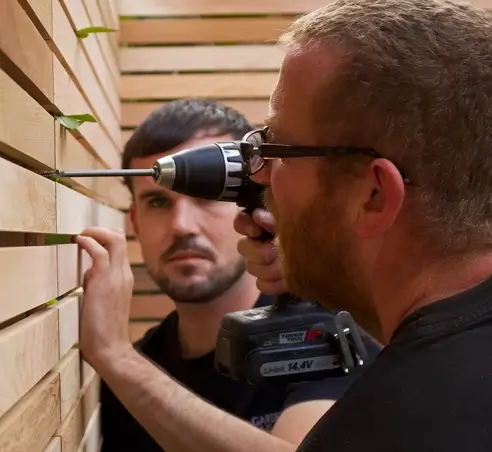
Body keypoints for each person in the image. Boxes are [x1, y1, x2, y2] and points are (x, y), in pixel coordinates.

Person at [227, 0, 492, 451]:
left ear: (375, 196)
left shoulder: (378, 432)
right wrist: (336, 261)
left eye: (280, 148)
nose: (261, 173)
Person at [73, 99, 380, 452]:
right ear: (134, 223)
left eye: (205, 197)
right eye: (158, 203)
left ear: (258, 203)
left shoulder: (325, 333)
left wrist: (117, 358)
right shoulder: (133, 371)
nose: (182, 226)